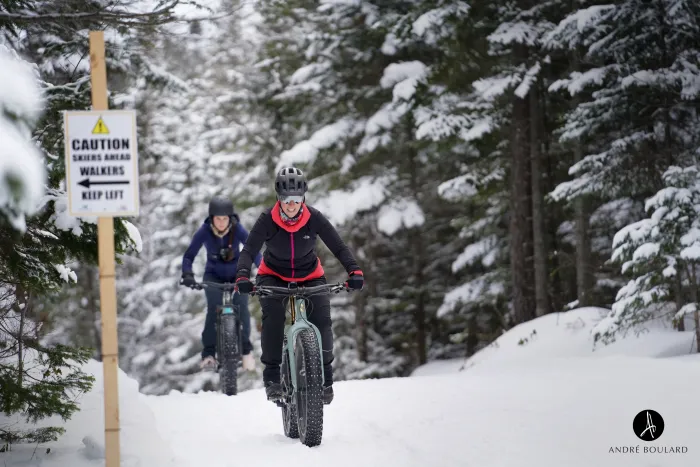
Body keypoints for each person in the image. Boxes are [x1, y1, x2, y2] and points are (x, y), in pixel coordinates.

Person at [234, 166, 364, 405]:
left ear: (303, 197)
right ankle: (272, 378)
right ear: (278, 198)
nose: (291, 205)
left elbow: (338, 246)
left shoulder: (314, 218)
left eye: (296, 199)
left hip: (310, 275)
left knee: (323, 321)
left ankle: (325, 379)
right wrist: (242, 276)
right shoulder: (267, 219)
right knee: (273, 318)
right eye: (286, 199)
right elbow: (249, 250)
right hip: (273, 276)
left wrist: (354, 270)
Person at [180, 196, 262, 371]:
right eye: (218, 219)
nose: (222, 222)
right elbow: (189, 255)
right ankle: (209, 354)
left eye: (225, 218)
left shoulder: (237, 229)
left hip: (238, 274)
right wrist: (187, 273)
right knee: (213, 308)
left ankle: (246, 351)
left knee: (242, 305)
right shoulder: (204, 231)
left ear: (230, 218)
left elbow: (253, 250)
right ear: (211, 218)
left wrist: (263, 271)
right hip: (213, 276)